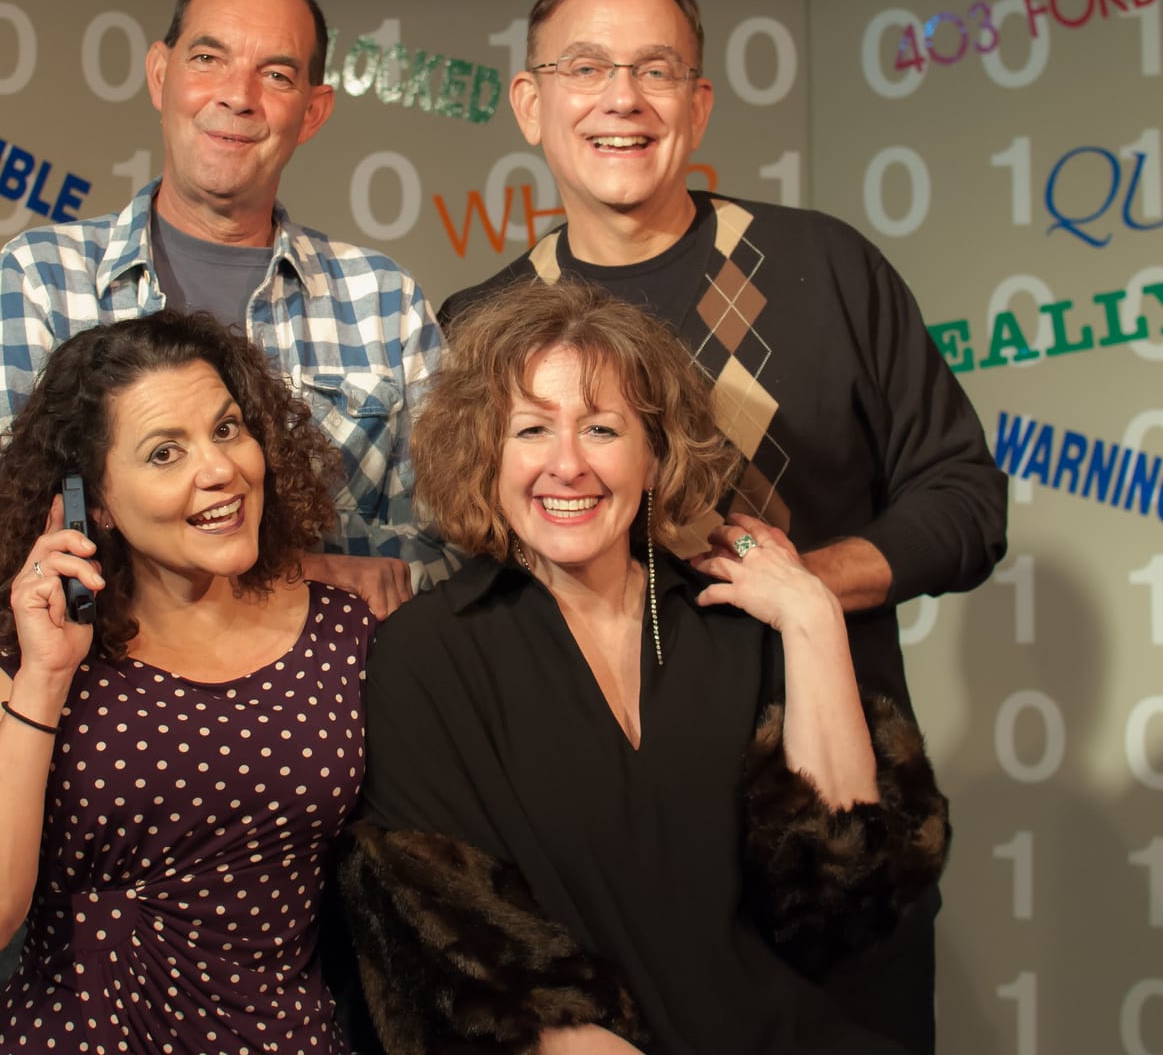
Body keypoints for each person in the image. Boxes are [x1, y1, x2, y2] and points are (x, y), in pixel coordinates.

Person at [439, 0, 1005, 1045]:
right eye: (584, 66)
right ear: (529, 101)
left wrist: (801, 583)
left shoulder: (824, 265)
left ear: (697, 104)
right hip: (598, 846)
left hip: (827, 816)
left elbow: (964, 495)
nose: (620, 98)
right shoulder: (483, 322)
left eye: (655, 70)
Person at [0, 0, 454, 1048]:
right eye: (211, 58)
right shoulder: (45, 273)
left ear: (313, 108)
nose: (237, 94)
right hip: (92, 835)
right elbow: (27, 537)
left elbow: (443, 563)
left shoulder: (382, 300)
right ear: (159, 72)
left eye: (277, 73)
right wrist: (302, 567)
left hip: (308, 854)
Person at [343, 282, 950, 1055]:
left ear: (655, 455)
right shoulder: (426, 656)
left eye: (601, 429)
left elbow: (844, 896)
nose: (568, 466)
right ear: (486, 453)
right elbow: (472, 975)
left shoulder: (736, 624)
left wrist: (812, 617)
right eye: (531, 429)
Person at [0, 309, 372, 1054]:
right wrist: (45, 677)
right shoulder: (17, 644)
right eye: (165, 453)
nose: (219, 469)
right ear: (92, 499)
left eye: (227, 430)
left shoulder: (341, 634)